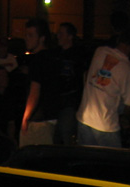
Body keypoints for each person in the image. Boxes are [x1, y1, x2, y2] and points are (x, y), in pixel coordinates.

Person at [76, 28, 130, 148]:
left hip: (85, 119)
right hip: (106, 125)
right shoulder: (129, 71)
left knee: (86, 160)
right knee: (110, 163)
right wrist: (124, 118)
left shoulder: (100, 52)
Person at [19, 18, 61, 147]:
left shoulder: (38, 60)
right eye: (26, 35)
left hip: (38, 120)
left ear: (42, 38)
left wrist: (26, 117)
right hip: (49, 117)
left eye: (31, 35)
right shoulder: (51, 57)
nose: (27, 38)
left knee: (29, 160)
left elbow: (35, 90)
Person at [53, 22, 87, 145]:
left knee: (66, 133)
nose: (58, 36)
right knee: (56, 136)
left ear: (70, 36)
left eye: (61, 33)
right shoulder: (56, 54)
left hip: (70, 102)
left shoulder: (77, 55)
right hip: (57, 102)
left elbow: (81, 78)